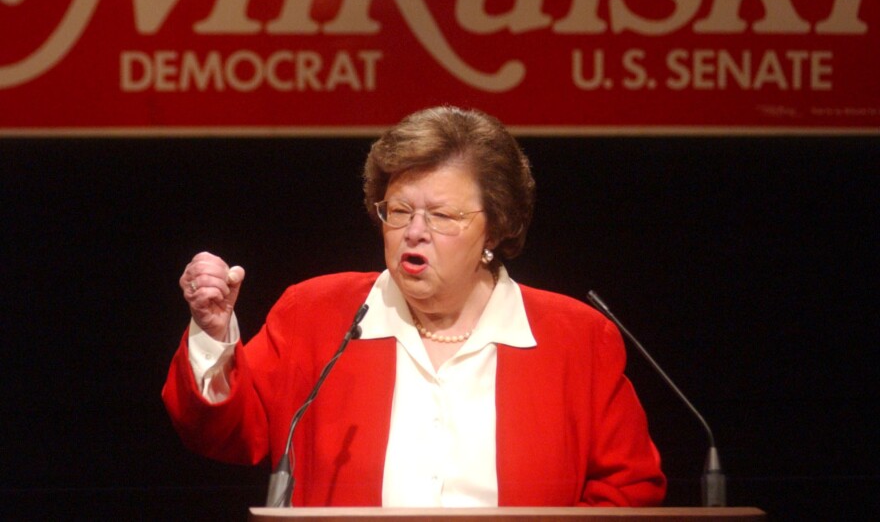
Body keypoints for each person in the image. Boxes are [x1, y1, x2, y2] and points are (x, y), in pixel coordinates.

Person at [162, 106, 666, 507]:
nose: (414, 231)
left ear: (494, 227)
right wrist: (214, 333)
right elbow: (225, 436)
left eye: (443, 215)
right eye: (399, 210)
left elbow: (630, 491)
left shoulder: (575, 338)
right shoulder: (315, 315)